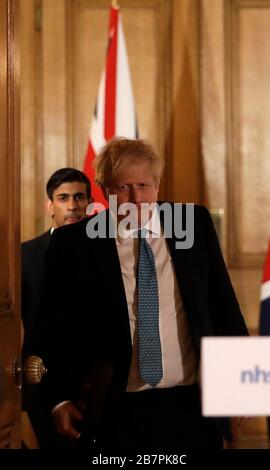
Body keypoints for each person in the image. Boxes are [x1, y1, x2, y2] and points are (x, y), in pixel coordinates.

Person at [33, 138, 248, 450]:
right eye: (123, 187)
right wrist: (57, 399)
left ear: (158, 185)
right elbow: (51, 328)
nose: (136, 198)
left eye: (144, 185)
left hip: (192, 404)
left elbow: (224, 307)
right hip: (114, 408)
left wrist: (241, 382)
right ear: (104, 189)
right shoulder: (73, 244)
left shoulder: (194, 224)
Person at [21, 167, 92, 448]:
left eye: (79, 197)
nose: (72, 205)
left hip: (93, 385)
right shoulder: (25, 254)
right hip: (41, 380)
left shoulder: (107, 252)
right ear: (50, 205)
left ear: (89, 202)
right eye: (63, 198)